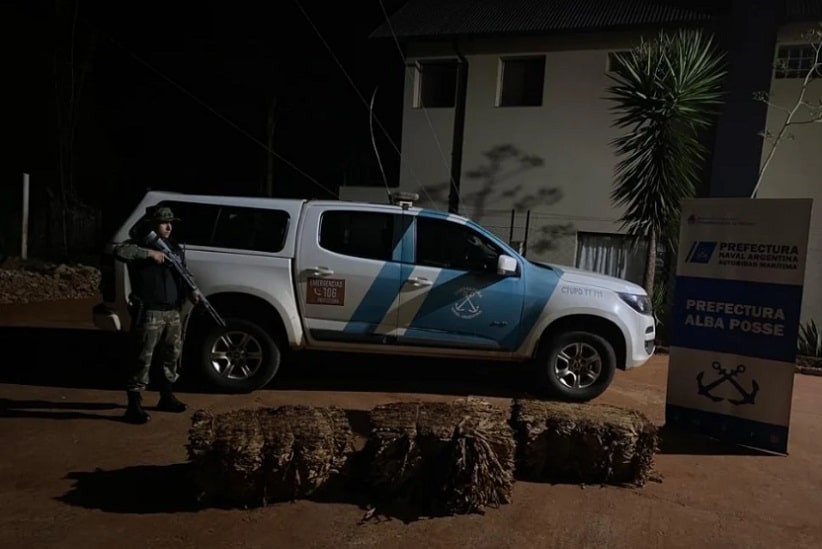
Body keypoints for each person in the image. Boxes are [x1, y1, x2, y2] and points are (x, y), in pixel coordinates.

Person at [113, 206, 199, 424]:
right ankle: (134, 405)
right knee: (142, 358)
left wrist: (192, 290)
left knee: (171, 356)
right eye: (163, 223)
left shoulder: (174, 248)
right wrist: (149, 254)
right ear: (153, 224)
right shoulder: (141, 244)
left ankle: (166, 396)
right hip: (150, 311)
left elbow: (183, 274)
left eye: (171, 223)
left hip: (172, 311)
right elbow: (120, 252)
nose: (169, 227)